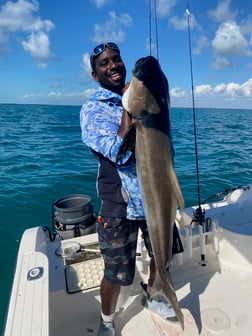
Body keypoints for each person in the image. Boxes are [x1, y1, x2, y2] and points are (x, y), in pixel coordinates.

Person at [80, 42, 183, 336]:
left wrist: (140, 95)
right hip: (118, 205)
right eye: (104, 63)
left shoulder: (139, 95)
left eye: (116, 59)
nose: (112, 65)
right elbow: (120, 152)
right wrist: (131, 109)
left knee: (162, 257)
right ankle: (108, 320)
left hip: (154, 197)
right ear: (94, 74)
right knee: (115, 275)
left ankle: (154, 293)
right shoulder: (92, 110)